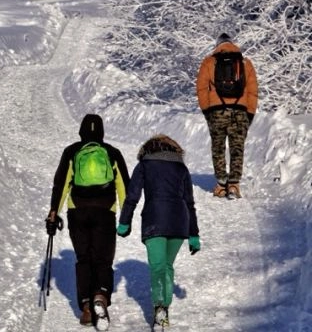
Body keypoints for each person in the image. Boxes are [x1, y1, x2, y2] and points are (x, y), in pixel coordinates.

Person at [47, 113, 130, 327]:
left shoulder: (72, 152)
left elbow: (62, 182)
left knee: (84, 258)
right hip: (105, 210)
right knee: (103, 258)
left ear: (81, 130)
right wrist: (126, 216)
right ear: (102, 132)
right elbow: (124, 185)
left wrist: (54, 210)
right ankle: (100, 296)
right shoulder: (112, 152)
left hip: (78, 210)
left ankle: (86, 306)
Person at [117, 135, 200, 329]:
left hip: (154, 220)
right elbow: (190, 203)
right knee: (167, 266)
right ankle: (164, 309)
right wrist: (194, 234)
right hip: (179, 221)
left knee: (157, 267)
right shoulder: (181, 167)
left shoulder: (144, 165)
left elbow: (132, 196)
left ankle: (160, 309)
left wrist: (124, 222)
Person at [196, 32, 258, 199]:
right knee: (237, 148)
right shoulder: (245, 63)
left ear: (217, 45)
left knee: (218, 147)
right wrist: (249, 113)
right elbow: (253, 91)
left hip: (217, 111)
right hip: (240, 111)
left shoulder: (209, 62)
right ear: (232, 44)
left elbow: (201, 89)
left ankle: (221, 185)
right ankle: (234, 185)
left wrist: (207, 111)